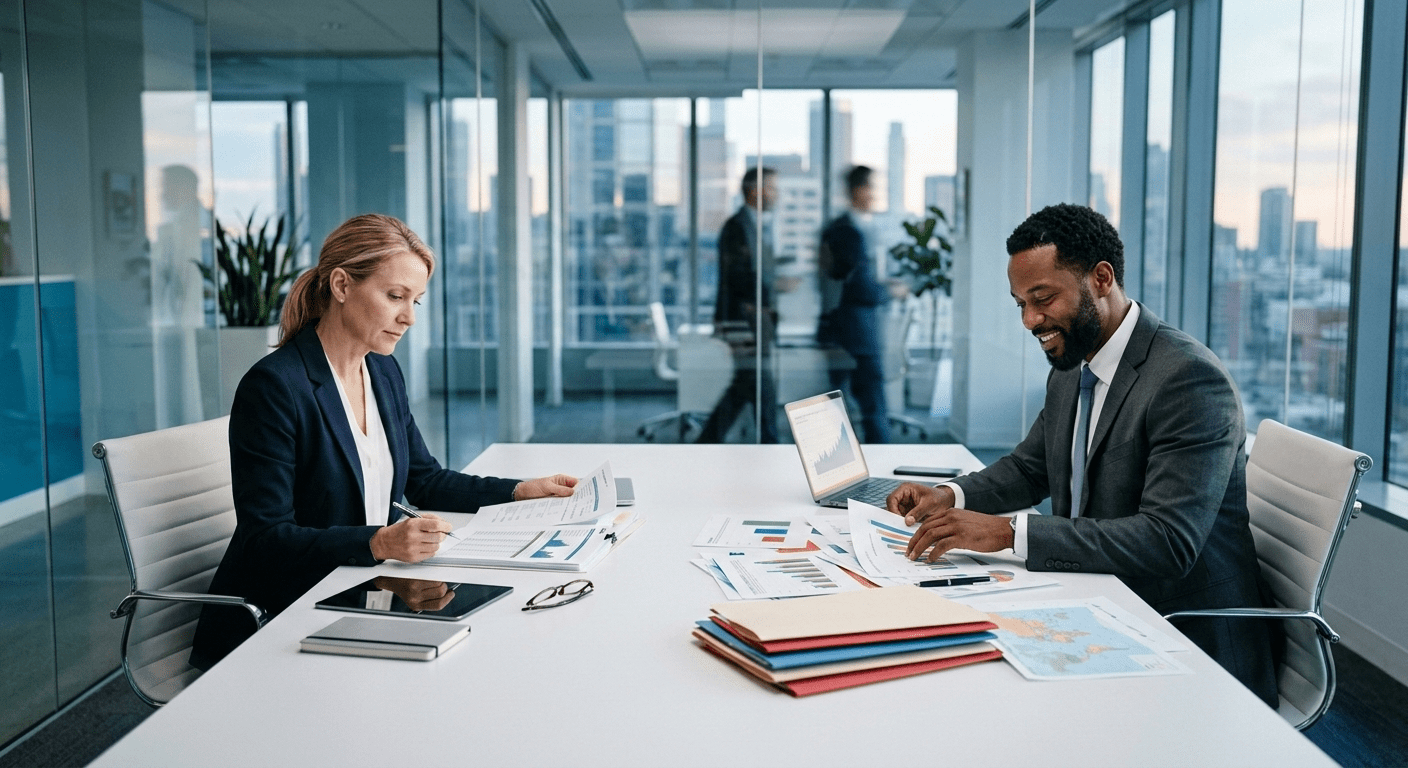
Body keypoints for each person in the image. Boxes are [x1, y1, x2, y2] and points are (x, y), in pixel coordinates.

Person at [885, 203, 1280, 707]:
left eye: (1043, 298)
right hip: (1099, 602)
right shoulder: (1073, 365)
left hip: (1184, 638)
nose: (1030, 320)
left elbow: (1168, 542)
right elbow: (1031, 467)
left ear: (1100, 278)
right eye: (1020, 303)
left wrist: (1007, 532)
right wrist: (949, 494)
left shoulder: (1189, 380)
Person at [191, 213, 575, 668]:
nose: (409, 317)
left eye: (416, 301)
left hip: (360, 592)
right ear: (341, 285)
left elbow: (424, 478)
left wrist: (519, 491)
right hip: (282, 617)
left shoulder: (381, 369)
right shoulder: (276, 387)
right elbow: (266, 540)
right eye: (395, 296)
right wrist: (381, 543)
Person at [697, 167, 795, 443]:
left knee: (747, 386)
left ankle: (707, 443)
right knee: (761, 386)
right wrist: (776, 285)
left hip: (754, 322)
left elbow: (755, 272)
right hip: (742, 322)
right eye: (773, 188)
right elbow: (741, 277)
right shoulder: (737, 227)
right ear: (755, 191)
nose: (777, 194)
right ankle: (769, 444)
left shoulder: (751, 225)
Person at [818, 165, 903, 443]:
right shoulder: (848, 231)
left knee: (839, 405)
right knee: (872, 406)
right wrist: (890, 292)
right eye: (872, 188)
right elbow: (858, 287)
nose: (874, 195)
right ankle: (885, 474)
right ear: (859, 190)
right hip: (856, 331)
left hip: (841, 328)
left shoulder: (842, 227)